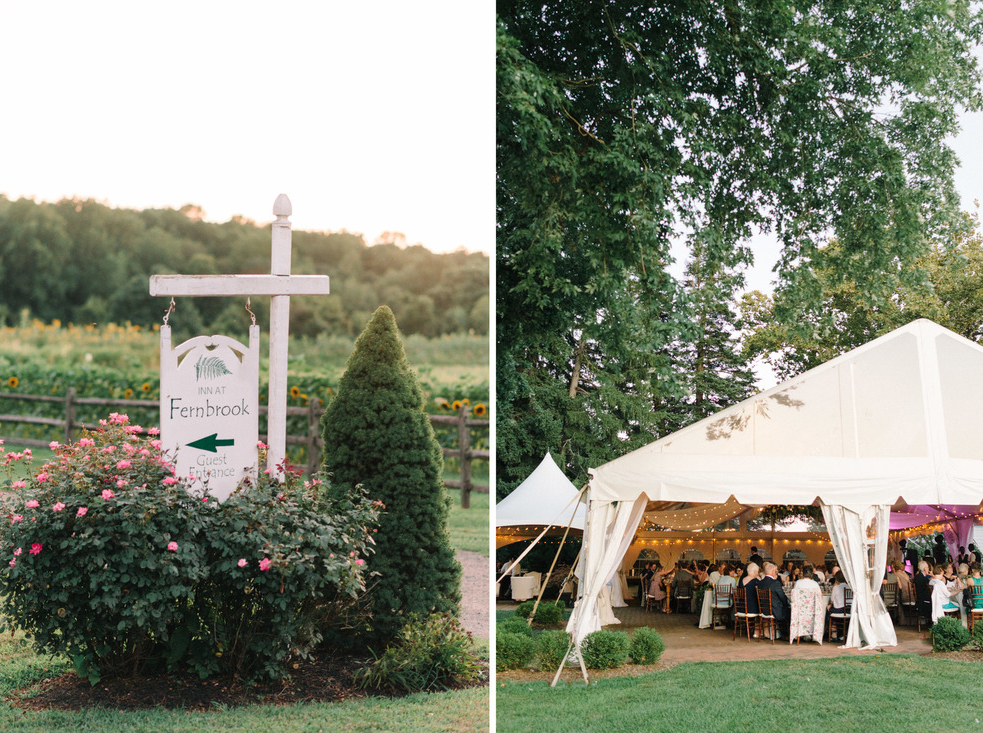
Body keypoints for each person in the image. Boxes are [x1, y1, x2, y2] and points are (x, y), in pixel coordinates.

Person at [759, 562, 791, 639]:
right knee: (790, 611)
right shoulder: (775, 583)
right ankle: (786, 635)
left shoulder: (760, 583)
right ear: (773, 572)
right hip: (774, 610)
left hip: (763, 610)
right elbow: (782, 597)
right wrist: (787, 603)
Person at [826, 570, 849, 642]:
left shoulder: (836, 587)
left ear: (837, 579)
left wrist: (830, 604)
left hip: (839, 610)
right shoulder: (849, 586)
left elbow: (832, 600)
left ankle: (832, 632)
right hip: (848, 609)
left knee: (828, 611)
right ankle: (843, 633)